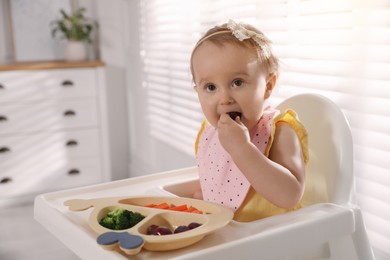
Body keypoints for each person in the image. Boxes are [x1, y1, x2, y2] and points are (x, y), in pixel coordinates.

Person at [191, 20, 309, 222]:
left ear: (268, 86)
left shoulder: (280, 131)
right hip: (229, 239)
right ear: (197, 91)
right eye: (211, 87)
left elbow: (290, 195)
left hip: (272, 241)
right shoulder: (208, 133)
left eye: (237, 82)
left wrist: (242, 148)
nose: (224, 98)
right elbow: (222, 183)